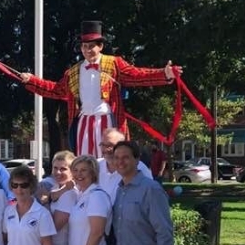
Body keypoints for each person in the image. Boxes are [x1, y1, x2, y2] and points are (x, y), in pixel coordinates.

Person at [19, 20, 181, 157]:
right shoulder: (74, 71)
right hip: (83, 122)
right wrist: (31, 80)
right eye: (84, 46)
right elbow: (56, 89)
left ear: (100, 46)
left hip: (107, 121)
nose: (87, 50)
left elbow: (137, 75)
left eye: (91, 46)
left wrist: (164, 74)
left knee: (112, 160)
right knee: (85, 162)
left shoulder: (113, 63)